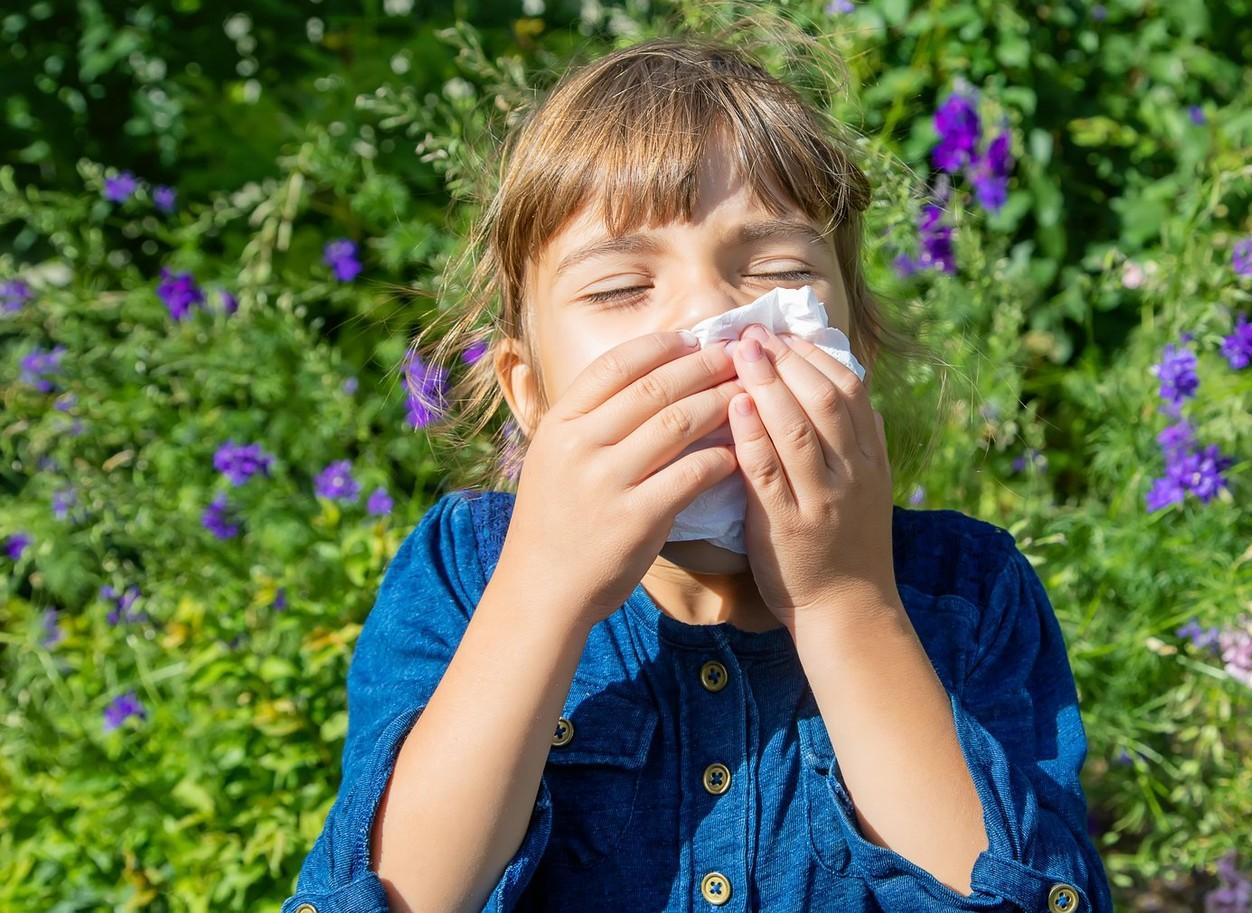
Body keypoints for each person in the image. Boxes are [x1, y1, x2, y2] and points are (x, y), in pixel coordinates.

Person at [280, 30, 1113, 913]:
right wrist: (544, 593)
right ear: (530, 394)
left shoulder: (969, 593)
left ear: (856, 356)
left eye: (778, 272)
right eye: (617, 288)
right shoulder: (464, 574)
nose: (716, 313)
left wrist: (842, 598)